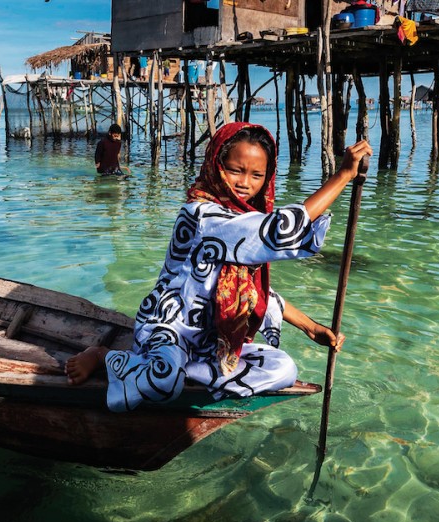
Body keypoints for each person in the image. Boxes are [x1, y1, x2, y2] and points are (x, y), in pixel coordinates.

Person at [66, 122, 372, 412]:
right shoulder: (202, 214)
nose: (245, 183)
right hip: (168, 328)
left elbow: (256, 292)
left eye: (257, 175)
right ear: (216, 164)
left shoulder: (240, 218)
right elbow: (279, 231)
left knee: (284, 369)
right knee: (163, 379)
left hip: (208, 338)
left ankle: (187, 372)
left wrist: (310, 326)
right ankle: (107, 357)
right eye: (236, 170)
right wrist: (342, 176)